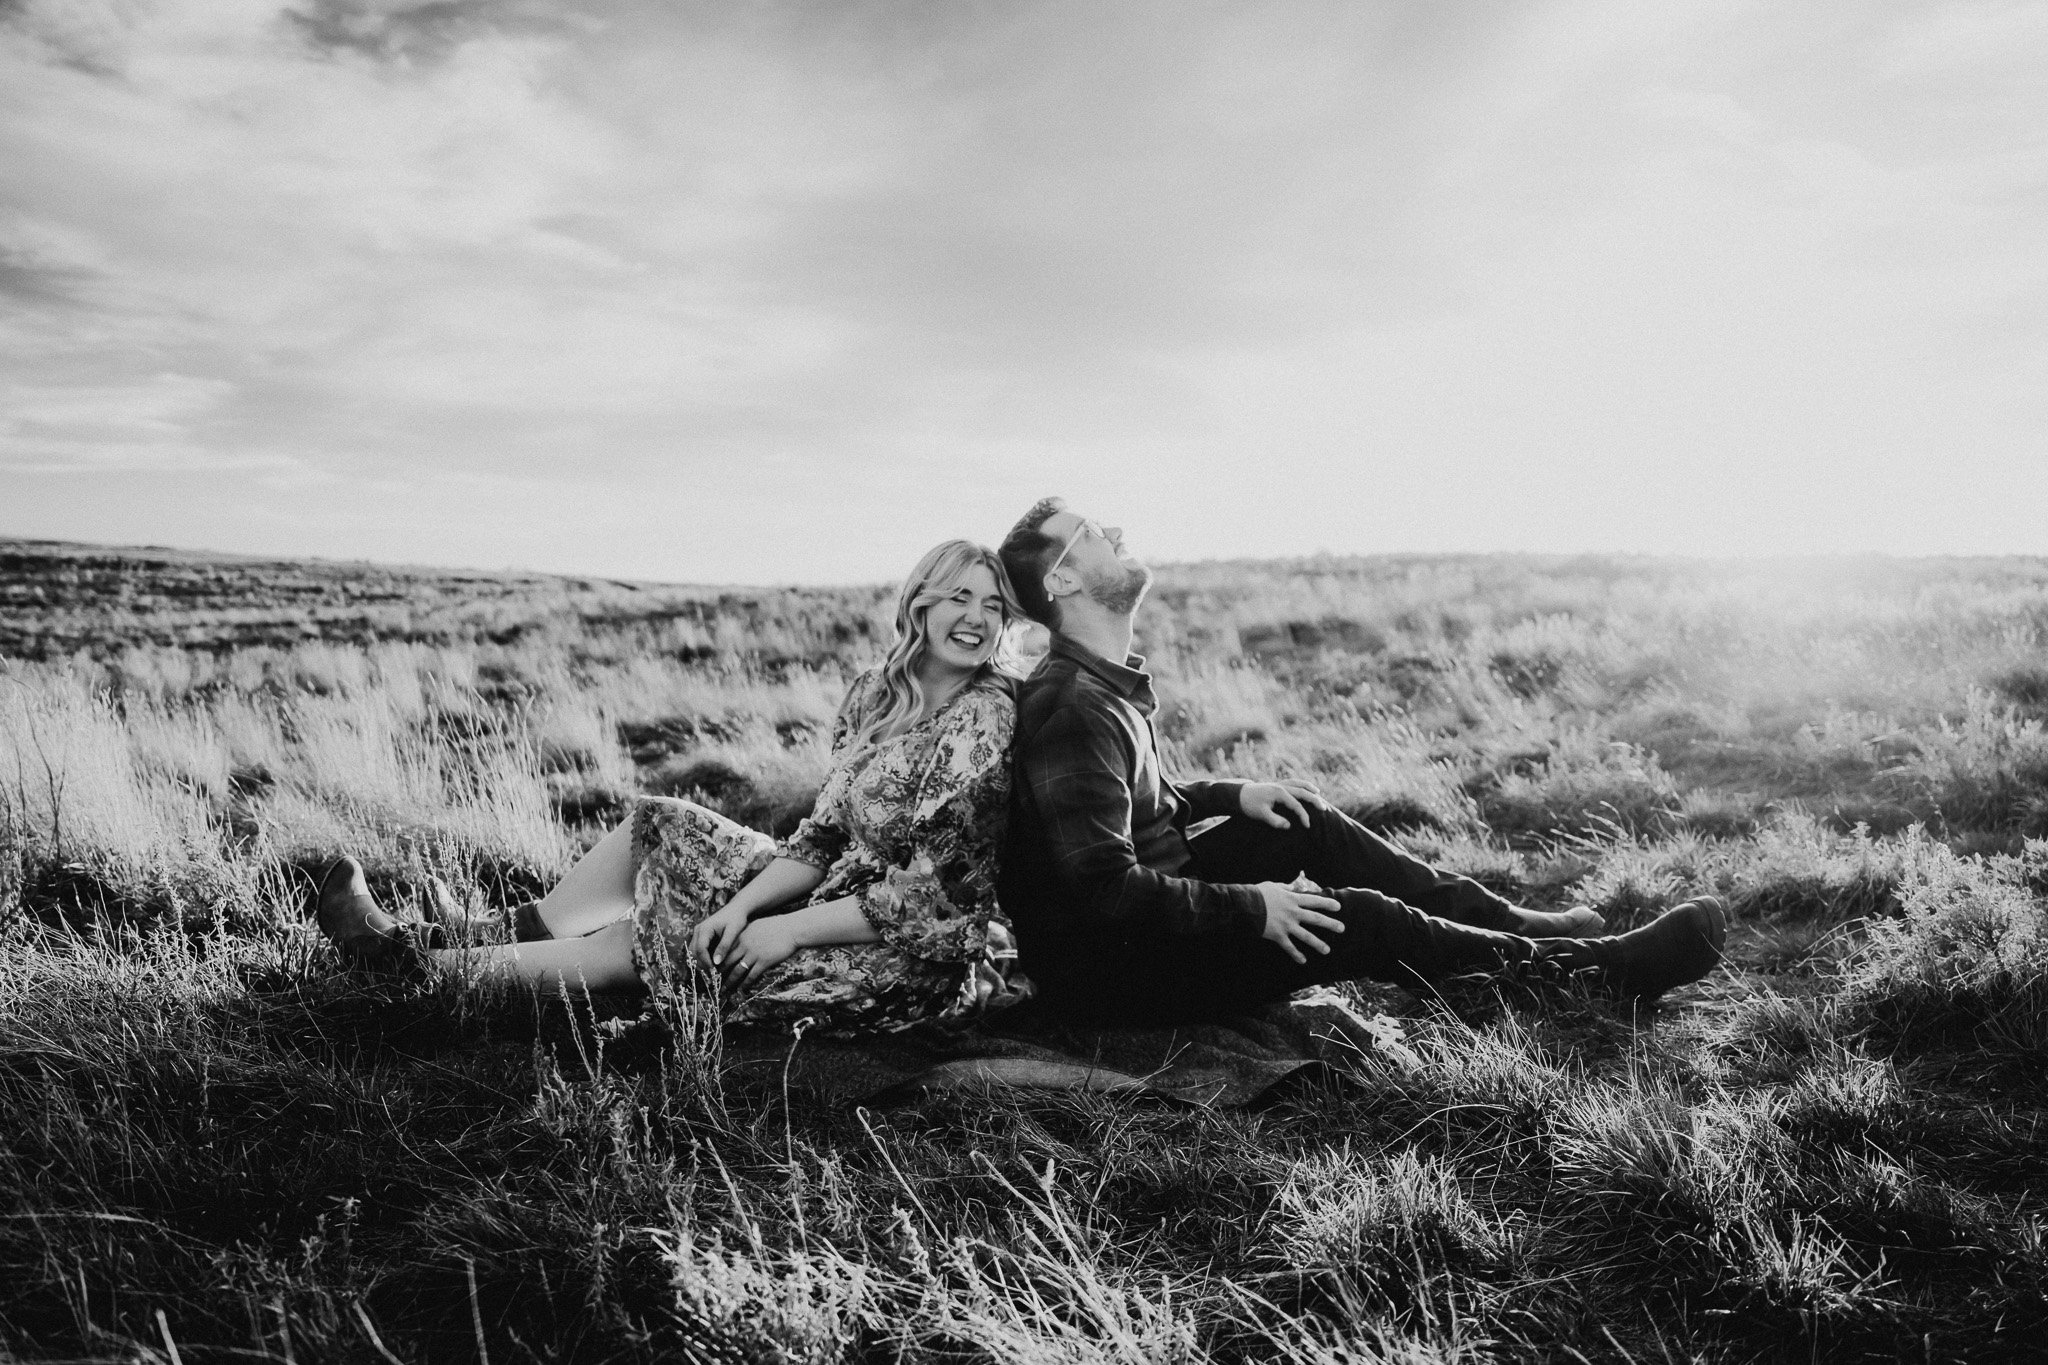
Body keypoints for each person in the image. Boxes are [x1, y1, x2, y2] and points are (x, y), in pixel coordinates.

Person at [995, 498, 1727, 1025]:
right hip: (1125, 973)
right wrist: (1254, 906)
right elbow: (1100, 887)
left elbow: (1126, 808)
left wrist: (1232, 792)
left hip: (1160, 910)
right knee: (1365, 921)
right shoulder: (1071, 710)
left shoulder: (1100, 685)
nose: (1113, 529)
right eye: (1089, 533)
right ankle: (1593, 976)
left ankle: (1520, 926)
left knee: (1301, 819)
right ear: (1059, 581)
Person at [312, 540, 1030, 1035]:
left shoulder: (983, 718)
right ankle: (464, 941)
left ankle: (416, 969)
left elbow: (935, 896)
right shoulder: (877, 692)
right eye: (959, 596)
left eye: (993, 605)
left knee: (657, 937)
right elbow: (821, 836)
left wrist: (780, 928)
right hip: (828, 892)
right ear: (922, 604)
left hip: (900, 955)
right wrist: (748, 903)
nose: (976, 617)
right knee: (660, 823)